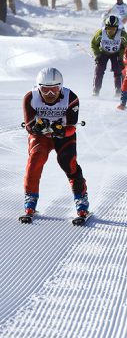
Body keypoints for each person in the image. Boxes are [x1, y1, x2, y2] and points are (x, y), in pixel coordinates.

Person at [22, 68, 89, 222]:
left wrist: (60, 132)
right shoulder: (29, 98)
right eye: (45, 90)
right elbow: (29, 125)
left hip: (63, 135)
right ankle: (30, 199)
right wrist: (37, 127)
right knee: (35, 160)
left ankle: (81, 199)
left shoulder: (71, 97)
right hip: (41, 136)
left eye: (54, 89)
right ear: (39, 88)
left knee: (67, 162)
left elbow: (72, 127)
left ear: (61, 87)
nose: (50, 94)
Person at [91, 15, 127, 96]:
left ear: (117, 28)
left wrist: (122, 58)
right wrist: (97, 55)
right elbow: (94, 44)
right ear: (106, 27)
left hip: (116, 54)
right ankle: (96, 90)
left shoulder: (123, 35)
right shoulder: (101, 33)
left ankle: (118, 90)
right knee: (99, 70)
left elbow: (126, 47)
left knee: (118, 70)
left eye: (113, 28)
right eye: (109, 28)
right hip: (103, 53)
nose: (111, 30)